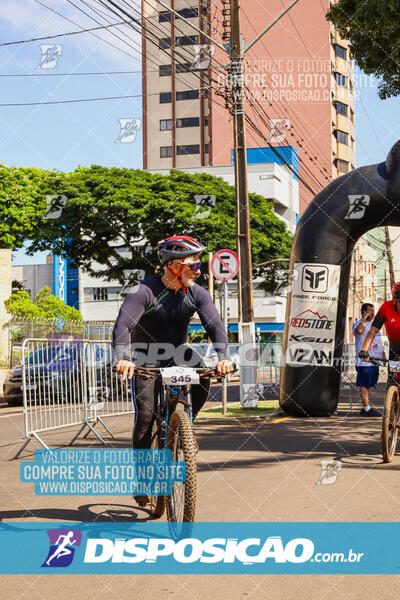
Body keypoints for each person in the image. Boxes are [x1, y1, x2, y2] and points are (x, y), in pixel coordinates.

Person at [112, 235, 235, 507]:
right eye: (193, 265)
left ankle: (185, 427)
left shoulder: (197, 293)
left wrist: (224, 357)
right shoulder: (143, 291)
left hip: (179, 353)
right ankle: (143, 479)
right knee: (145, 416)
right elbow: (123, 326)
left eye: (198, 265)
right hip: (146, 357)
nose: (198, 270)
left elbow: (215, 326)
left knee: (204, 376)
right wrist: (122, 358)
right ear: (174, 266)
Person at [353, 303, 385, 416]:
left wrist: (383, 354)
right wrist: (363, 319)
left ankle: (366, 407)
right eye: (370, 310)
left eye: (373, 310)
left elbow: (378, 341)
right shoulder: (358, 324)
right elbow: (360, 331)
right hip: (363, 361)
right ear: (364, 311)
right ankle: (367, 408)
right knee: (364, 384)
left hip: (375, 360)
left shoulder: (374, 326)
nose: (373, 313)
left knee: (370, 384)